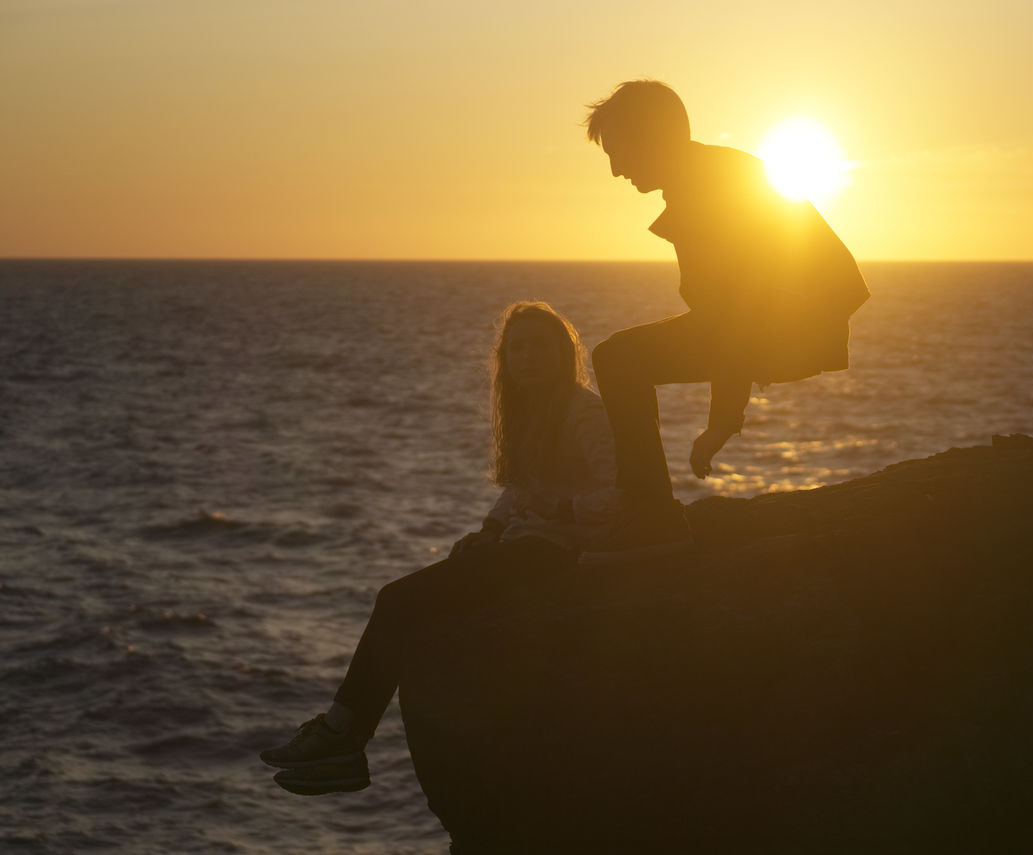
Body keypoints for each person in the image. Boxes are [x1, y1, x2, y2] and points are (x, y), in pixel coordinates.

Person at [259, 302, 618, 795]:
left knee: (398, 599)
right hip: (523, 543)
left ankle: (341, 736)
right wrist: (491, 530)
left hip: (560, 554)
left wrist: (559, 514)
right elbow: (519, 490)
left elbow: (619, 491)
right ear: (505, 358)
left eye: (540, 346)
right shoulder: (530, 411)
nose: (528, 357)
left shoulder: (585, 410)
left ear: (563, 353)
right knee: (423, 599)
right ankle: (345, 743)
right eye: (518, 348)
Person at [582, 80, 869, 559]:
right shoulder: (704, 176)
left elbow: (736, 317)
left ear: (654, 138)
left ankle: (651, 521)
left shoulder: (707, 191)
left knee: (618, 358)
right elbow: (731, 314)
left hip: (788, 324)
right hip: (784, 320)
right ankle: (646, 512)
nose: (615, 169)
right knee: (621, 357)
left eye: (620, 150)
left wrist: (722, 421)